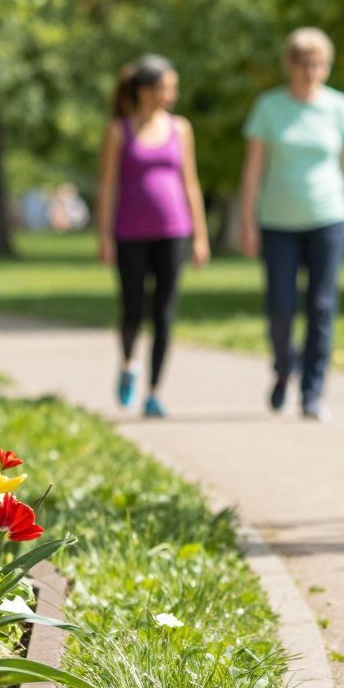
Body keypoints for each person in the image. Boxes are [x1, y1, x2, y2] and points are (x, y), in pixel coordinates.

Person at [238, 28, 344, 422]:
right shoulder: (269, 108)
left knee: (322, 306)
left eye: (319, 65)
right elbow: (252, 170)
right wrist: (247, 222)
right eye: (304, 64)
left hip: (329, 218)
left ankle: (312, 392)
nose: (311, 72)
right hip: (277, 221)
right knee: (280, 306)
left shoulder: (340, 107)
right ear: (289, 65)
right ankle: (283, 368)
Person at [95, 55, 209, 418]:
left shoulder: (181, 129)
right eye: (165, 88)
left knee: (164, 312)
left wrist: (200, 236)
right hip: (129, 233)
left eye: (173, 87)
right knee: (133, 309)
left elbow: (191, 183)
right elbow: (107, 186)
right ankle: (129, 363)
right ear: (144, 91)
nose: (172, 94)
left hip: (174, 232)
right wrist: (104, 236)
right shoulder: (119, 131)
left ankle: (155, 391)